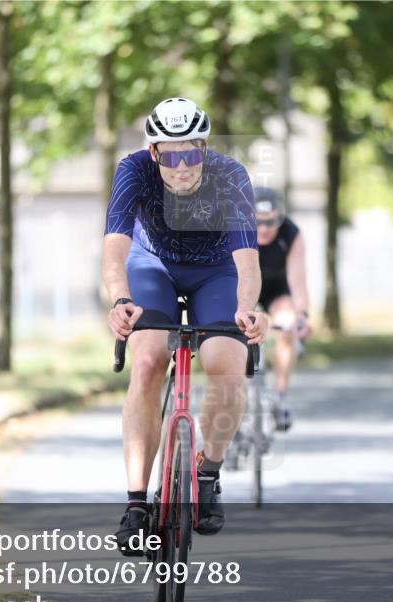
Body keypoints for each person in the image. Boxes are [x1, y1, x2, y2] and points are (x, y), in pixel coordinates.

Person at [102, 98, 267, 555]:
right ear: (154, 153)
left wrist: (247, 309)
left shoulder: (230, 175)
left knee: (226, 365)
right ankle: (136, 504)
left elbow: (247, 261)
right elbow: (115, 247)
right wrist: (120, 300)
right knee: (148, 362)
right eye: (170, 156)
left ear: (204, 148)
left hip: (217, 271)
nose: (182, 167)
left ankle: (208, 473)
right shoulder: (133, 170)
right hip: (152, 265)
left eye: (191, 153)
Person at [254, 186, 311, 431]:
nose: (264, 229)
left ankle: (280, 394)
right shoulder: (234, 230)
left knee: (287, 324)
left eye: (271, 222)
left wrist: (302, 316)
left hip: (275, 289)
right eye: (258, 222)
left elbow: (298, 282)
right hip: (241, 288)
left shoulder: (291, 234)